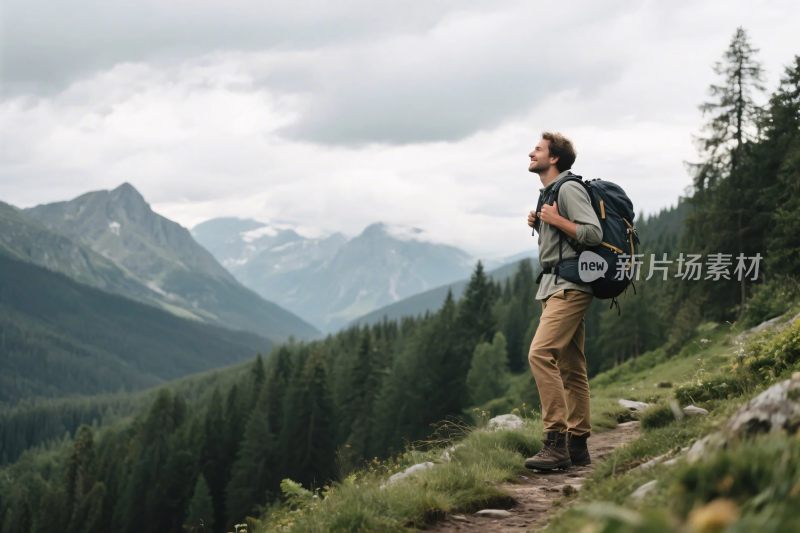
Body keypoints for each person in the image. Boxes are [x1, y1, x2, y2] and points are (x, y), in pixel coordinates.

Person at [523, 132, 602, 470]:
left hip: (569, 287)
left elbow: (592, 233)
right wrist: (541, 223)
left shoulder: (568, 188)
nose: (531, 152)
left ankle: (555, 442)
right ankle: (578, 447)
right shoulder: (550, 192)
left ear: (554, 158)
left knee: (540, 354)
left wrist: (556, 221)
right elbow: (564, 240)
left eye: (538, 149)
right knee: (571, 367)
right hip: (555, 285)